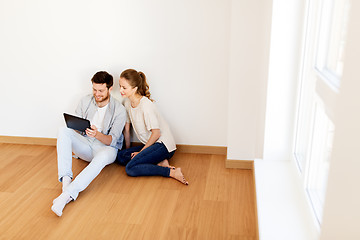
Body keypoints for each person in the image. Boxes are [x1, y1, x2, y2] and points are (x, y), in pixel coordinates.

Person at [51, 71, 127, 217]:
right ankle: (66, 183)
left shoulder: (119, 110)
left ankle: (66, 196)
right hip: (86, 143)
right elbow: (75, 128)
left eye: (100, 91)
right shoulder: (85, 101)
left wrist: (97, 134)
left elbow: (112, 140)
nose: (96, 94)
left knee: (105, 155)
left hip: (105, 148)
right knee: (63, 131)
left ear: (110, 89)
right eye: (94, 89)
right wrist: (78, 128)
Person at [115, 69, 188, 185]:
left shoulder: (146, 105)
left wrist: (140, 153)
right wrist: (127, 151)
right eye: (120, 86)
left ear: (134, 88)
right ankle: (159, 161)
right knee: (120, 156)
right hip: (151, 145)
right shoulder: (127, 103)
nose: (120, 90)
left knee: (130, 168)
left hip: (162, 145)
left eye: (124, 88)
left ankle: (171, 172)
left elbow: (156, 134)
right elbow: (127, 130)